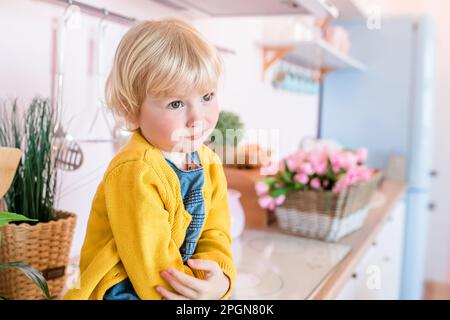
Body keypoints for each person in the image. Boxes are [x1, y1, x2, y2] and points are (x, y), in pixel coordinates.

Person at [63, 19, 235, 300]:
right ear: (133, 111)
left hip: (179, 286)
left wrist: (220, 279)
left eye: (207, 96)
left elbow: (216, 233)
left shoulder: (209, 163)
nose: (197, 118)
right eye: (176, 104)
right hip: (125, 289)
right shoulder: (136, 170)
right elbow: (152, 268)